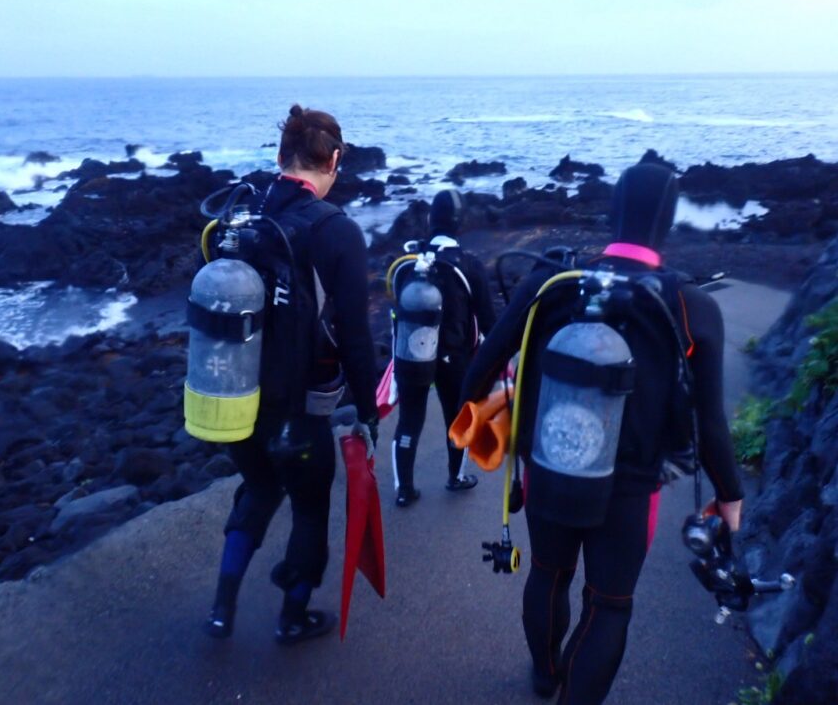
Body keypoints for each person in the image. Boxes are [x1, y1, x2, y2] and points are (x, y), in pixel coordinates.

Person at [459, 163, 744, 704]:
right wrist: (729, 496)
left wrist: (480, 425)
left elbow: (481, 369)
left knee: (548, 572)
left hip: (549, 466)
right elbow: (709, 422)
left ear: (613, 211)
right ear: (669, 219)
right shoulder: (692, 307)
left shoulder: (550, 284)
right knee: (609, 605)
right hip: (631, 486)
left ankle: (545, 674)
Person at [204, 105, 379, 645]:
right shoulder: (337, 231)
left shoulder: (243, 216)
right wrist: (369, 410)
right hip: (299, 411)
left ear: (282, 155)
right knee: (309, 507)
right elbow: (355, 336)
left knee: (259, 488)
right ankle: (292, 617)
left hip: (235, 396)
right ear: (334, 160)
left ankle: (221, 610)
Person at [390, 189, 496, 506]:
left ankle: (404, 489)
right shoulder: (469, 265)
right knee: (456, 418)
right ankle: (455, 477)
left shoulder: (408, 264)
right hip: (455, 357)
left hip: (412, 353)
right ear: (460, 223)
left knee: (409, 419)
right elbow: (489, 322)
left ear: (430, 220)